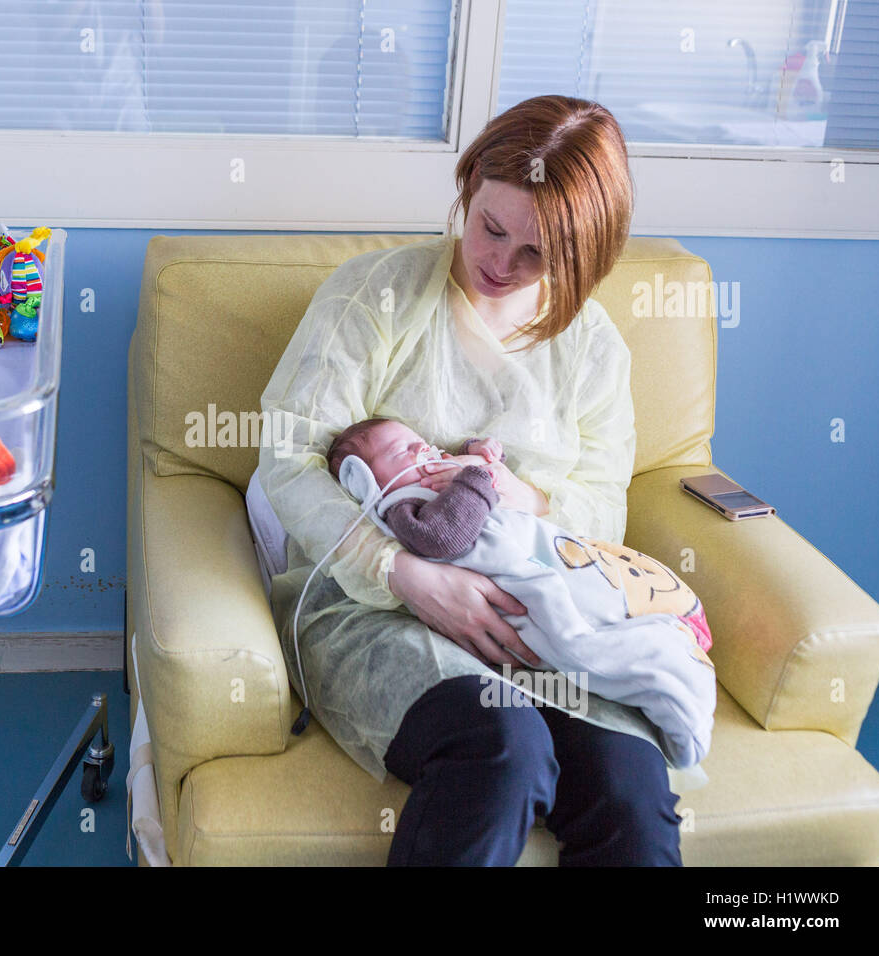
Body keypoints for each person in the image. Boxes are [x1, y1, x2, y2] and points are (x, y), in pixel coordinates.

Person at [258, 95, 687, 866]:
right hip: (372, 608)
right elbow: (287, 461)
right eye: (492, 228)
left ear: (584, 257)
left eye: (536, 255)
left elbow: (603, 511)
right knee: (503, 748)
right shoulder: (376, 298)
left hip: (540, 618)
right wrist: (403, 572)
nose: (501, 264)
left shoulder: (592, 350)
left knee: (631, 794)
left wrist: (509, 493)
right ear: (468, 185)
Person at [322, 416, 716, 769]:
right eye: (402, 451)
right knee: (582, 649)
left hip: (548, 556)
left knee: (600, 605)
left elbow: (482, 499)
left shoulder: (430, 482)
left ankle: (662, 638)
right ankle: (673, 687)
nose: (422, 450)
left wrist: (473, 455)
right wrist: (476, 479)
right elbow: (445, 535)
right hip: (523, 597)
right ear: (367, 481)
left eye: (419, 442)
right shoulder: (399, 506)